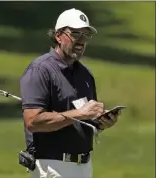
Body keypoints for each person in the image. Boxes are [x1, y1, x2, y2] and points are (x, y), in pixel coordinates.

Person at [19, 8, 121, 178]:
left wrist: (101, 123)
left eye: (86, 35)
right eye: (75, 34)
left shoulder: (85, 74)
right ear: (58, 36)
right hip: (52, 167)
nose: (81, 41)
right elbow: (33, 121)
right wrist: (80, 113)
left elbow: (84, 120)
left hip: (83, 166)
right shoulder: (40, 70)